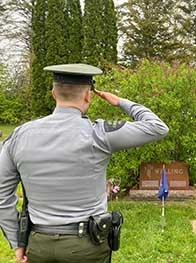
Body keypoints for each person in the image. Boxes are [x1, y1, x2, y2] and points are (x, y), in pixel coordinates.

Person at [0, 63, 169, 263]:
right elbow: (158, 127)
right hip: (86, 246)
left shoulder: (19, 135)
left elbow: (2, 195)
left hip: (39, 244)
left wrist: (17, 240)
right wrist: (120, 102)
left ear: (53, 93)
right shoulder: (98, 134)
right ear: (88, 96)